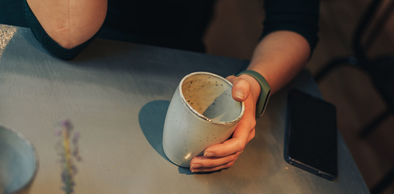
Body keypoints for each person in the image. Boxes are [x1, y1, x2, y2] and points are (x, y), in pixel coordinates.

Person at [23, 0, 319, 173]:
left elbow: (294, 24)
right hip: (29, 42)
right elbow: (66, 37)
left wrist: (255, 82)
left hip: (167, 60)